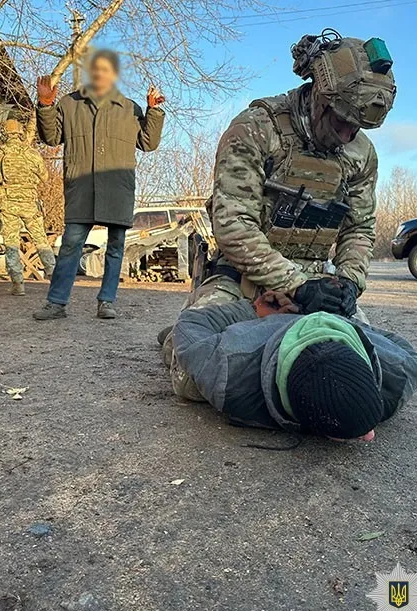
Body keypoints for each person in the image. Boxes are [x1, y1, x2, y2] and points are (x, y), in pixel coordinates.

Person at [161, 31, 397, 398]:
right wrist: (296, 285)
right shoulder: (256, 128)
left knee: (367, 376)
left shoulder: (360, 154)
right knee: (195, 379)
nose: (349, 134)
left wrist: (349, 283)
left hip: (319, 285)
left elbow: (360, 228)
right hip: (242, 280)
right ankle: (184, 330)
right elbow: (233, 225)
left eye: (359, 127)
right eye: (340, 121)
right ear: (320, 95)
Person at [169, 291, 417, 441]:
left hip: (328, 318)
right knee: (188, 384)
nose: (371, 436)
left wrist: (339, 318)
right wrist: (253, 310)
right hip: (262, 326)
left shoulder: (398, 373)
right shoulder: (231, 373)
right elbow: (190, 324)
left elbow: (402, 346)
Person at [32, 49, 165, 320]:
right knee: (70, 245)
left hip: (117, 189)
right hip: (81, 188)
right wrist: (46, 106)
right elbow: (51, 138)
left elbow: (148, 143)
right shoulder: (69, 105)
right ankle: (56, 303)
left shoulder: (129, 108)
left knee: (115, 247)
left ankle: (107, 301)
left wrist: (154, 111)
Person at [0, 118, 55, 296]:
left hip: (7, 203)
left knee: (11, 243)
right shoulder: (32, 154)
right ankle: (54, 277)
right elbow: (44, 177)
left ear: (4, 133)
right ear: (21, 133)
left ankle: (18, 284)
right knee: (41, 240)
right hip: (30, 202)